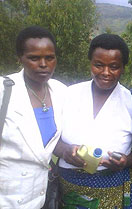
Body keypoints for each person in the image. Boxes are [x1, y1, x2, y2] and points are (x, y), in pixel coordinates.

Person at [53, 34, 132, 209]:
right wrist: (64, 151)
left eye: (114, 66)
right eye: (98, 65)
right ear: (90, 63)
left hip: (113, 186)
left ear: (123, 68)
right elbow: (51, 140)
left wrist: (127, 161)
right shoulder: (69, 94)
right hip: (68, 187)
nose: (105, 72)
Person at [0, 26, 66, 208]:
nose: (43, 64)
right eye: (34, 58)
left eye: (50, 58)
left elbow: (45, 146)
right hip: (7, 197)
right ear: (20, 58)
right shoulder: (4, 90)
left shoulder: (60, 91)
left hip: (40, 196)